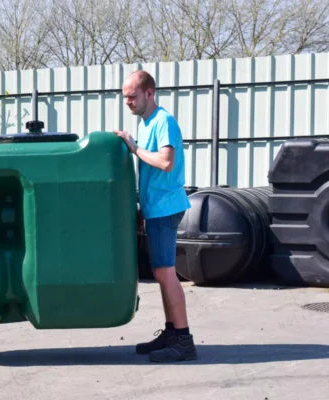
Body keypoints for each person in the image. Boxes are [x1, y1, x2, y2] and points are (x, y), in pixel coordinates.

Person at [113, 70, 197, 363]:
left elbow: (165, 161)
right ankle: (172, 332)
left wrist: (134, 148)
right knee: (162, 273)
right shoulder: (148, 123)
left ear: (149, 93)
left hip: (165, 207)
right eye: (125, 97)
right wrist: (140, 208)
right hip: (154, 208)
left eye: (133, 96)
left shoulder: (163, 121)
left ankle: (184, 341)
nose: (128, 102)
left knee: (165, 272)